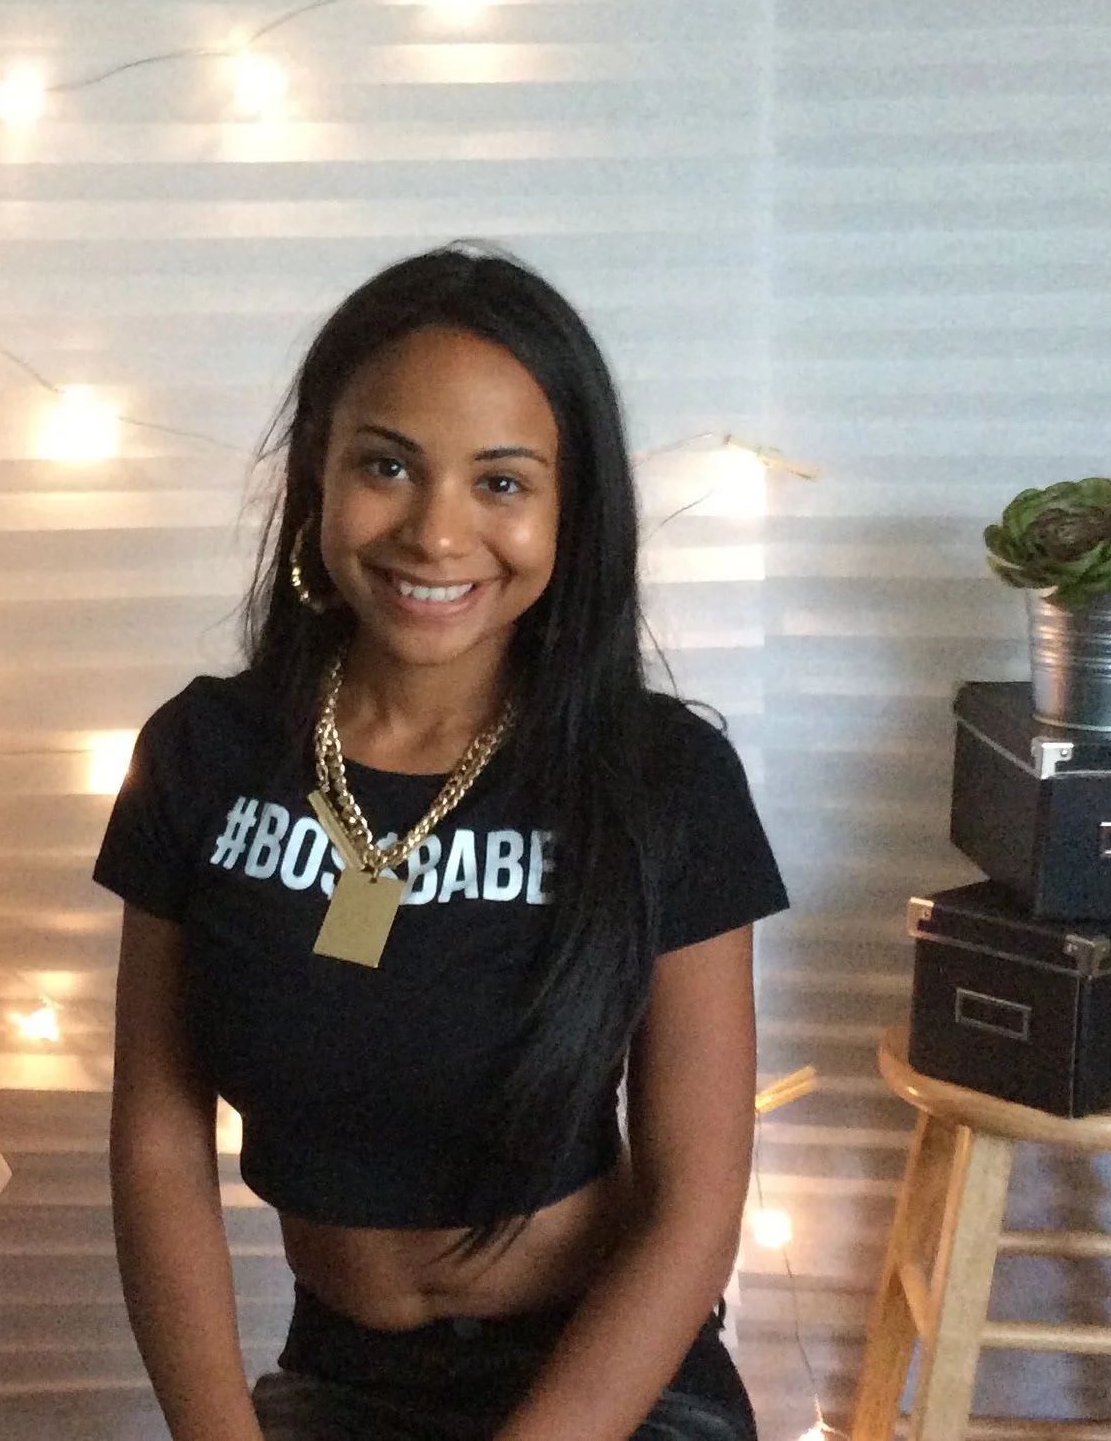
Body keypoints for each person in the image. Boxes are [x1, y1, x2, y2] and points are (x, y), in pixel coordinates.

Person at [94, 245, 789, 1441]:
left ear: (571, 509)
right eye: (386, 466)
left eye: (502, 482)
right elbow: (159, 1142)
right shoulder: (203, 755)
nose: (436, 530)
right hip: (337, 1373)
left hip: (606, 1382)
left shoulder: (663, 779)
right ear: (317, 469)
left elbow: (695, 1202)